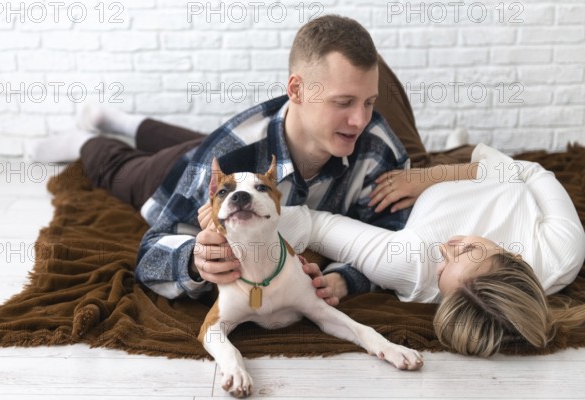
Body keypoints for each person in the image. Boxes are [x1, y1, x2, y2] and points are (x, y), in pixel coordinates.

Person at [28, 15, 471, 303]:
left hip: (241, 156)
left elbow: (389, 241)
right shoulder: (226, 151)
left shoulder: (378, 149)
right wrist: (192, 261)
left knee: (197, 142)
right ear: (296, 91)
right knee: (123, 170)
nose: (360, 120)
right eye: (343, 102)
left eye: (370, 102)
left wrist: (344, 278)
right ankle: (87, 137)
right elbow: (150, 249)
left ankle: (124, 118)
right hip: (189, 169)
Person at [263, 142, 585, 357]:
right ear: (513, 256)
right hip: (461, 166)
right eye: (467, 249)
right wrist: (431, 176)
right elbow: (530, 170)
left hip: (401, 177)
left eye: (443, 271)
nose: (445, 249)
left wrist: (226, 231)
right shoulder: (562, 250)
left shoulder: (412, 267)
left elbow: (315, 225)